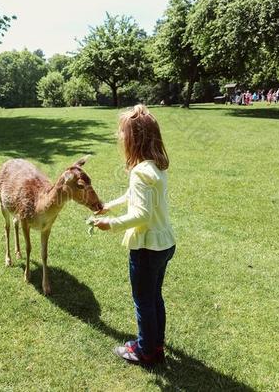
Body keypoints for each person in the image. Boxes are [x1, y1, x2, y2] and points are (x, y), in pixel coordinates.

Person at [92, 104, 176, 366]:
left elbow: (142, 215)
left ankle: (145, 351)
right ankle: (155, 344)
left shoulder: (140, 173)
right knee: (154, 296)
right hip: (165, 244)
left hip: (147, 248)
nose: (120, 138)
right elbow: (134, 198)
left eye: (123, 134)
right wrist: (111, 205)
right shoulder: (154, 168)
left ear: (134, 139)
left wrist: (111, 222)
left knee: (143, 300)